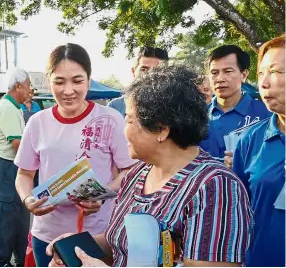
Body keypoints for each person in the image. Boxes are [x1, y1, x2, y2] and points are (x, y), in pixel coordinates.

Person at [47, 65, 253, 267]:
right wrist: (76, 249)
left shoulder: (215, 187)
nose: (123, 131)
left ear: (161, 129)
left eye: (129, 120)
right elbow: (118, 246)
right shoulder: (136, 174)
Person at [14, 43, 137, 267]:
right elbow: (24, 173)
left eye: (77, 81)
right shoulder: (37, 122)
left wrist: (102, 194)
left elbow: (129, 170)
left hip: (97, 235)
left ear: (89, 80)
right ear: (48, 81)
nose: (68, 90)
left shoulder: (110, 119)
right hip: (47, 236)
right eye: (59, 82)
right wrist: (28, 199)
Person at [232, 34, 285, 267]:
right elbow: (238, 212)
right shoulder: (250, 140)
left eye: (275, 72)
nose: (263, 83)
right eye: (261, 73)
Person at [0, 67, 32, 267]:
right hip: (6, 168)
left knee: (19, 219)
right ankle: (1, 261)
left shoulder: (15, 108)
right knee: (5, 219)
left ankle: (19, 259)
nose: (30, 90)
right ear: (18, 86)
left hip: (14, 167)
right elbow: (18, 145)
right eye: (28, 85)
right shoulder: (6, 108)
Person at [199, 45, 271, 163]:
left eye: (227, 71)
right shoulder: (198, 116)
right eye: (214, 72)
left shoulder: (266, 115)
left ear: (244, 75)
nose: (220, 78)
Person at [107, 46, 169, 117]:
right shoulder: (115, 107)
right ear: (133, 71)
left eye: (157, 70)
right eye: (144, 70)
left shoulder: (174, 108)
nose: (150, 75)